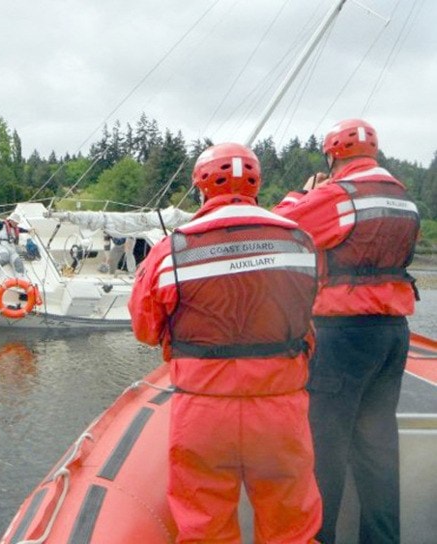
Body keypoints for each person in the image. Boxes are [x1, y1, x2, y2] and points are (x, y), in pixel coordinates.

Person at [128, 143, 322, 543]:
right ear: (256, 186)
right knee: (291, 527)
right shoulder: (301, 243)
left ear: (201, 186)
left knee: (204, 528)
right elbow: (307, 314)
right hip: (280, 410)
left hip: (202, 412)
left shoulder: (171, 253)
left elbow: (146, 329)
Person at [272, 118, 420, 543]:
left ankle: (321, 538)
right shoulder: (403, 197)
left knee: (326, 451)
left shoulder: (340, 196)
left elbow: (282, 232)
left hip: (342, 334)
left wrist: (302, 193)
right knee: (378, 449)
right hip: (393, 334)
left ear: (333, 155)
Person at [0, 212, 26, 276]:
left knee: (19, 263)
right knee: (4, 259)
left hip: (12, 248)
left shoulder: (16, 228)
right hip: (3, 246)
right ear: (11, 220)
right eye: (16, 222)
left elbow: (22, 230)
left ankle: (20, 280)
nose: (17, 224)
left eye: (17, 223)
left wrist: (28, 230)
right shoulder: (1, 225)